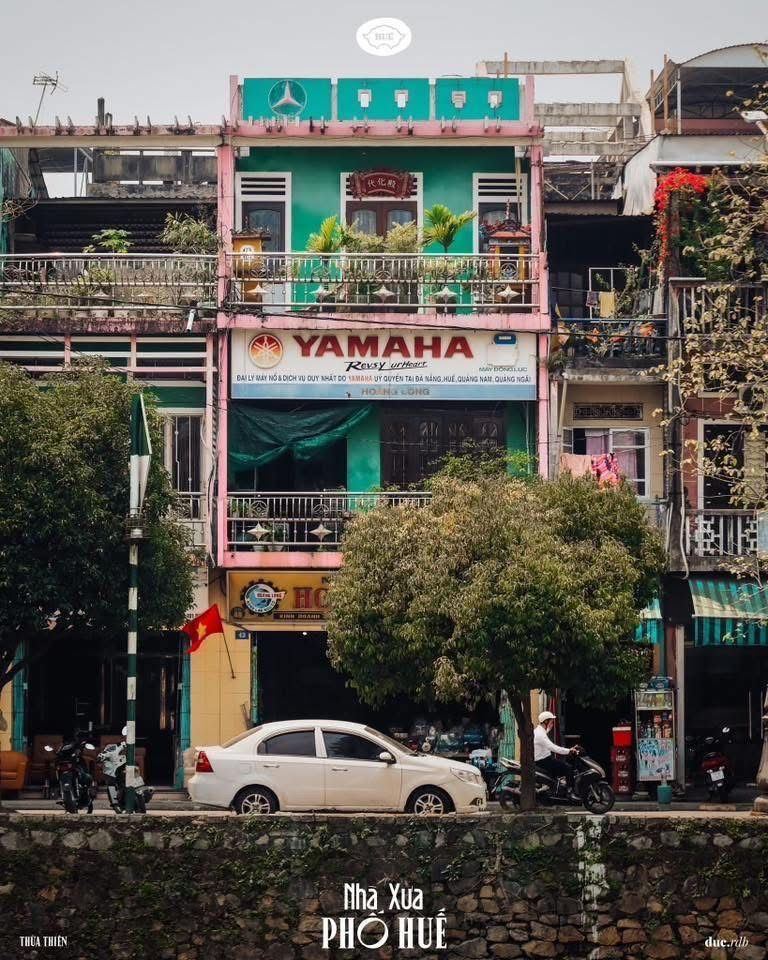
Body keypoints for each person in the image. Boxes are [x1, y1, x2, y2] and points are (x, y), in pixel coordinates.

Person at [534, 710, 577, 791]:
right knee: (568, 768)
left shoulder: (538, 731)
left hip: (543, 760)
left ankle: (555, 787)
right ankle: (570, 791)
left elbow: (543, 735)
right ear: (546, 721)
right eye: (551, 721)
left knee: (560, 765)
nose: (552, 723)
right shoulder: (540, 734)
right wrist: (569, 751)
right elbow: (553, 748)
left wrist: (548, 730)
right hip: (543, 762)